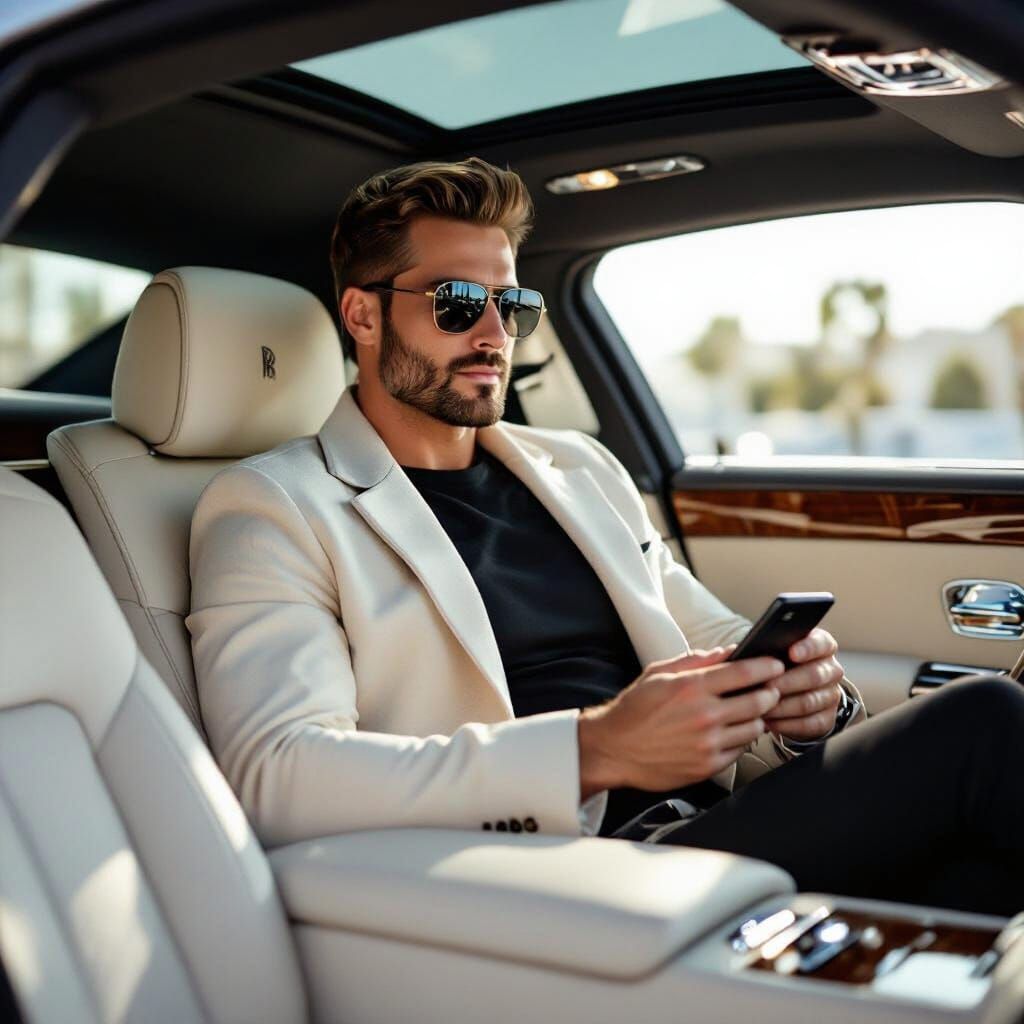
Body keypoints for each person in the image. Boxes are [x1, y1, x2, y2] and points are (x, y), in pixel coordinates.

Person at [188, 158, 1024, 916]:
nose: (492, 337)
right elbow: (279, 774)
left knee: (980, 881)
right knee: (985, 720)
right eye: (455, 305)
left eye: (511, 305)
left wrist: (805, 705)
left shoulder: (578, 468)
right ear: (362, 316)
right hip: (568, 875)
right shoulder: (272, 506)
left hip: (717, 825)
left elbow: (716, 639)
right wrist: (596, 749)